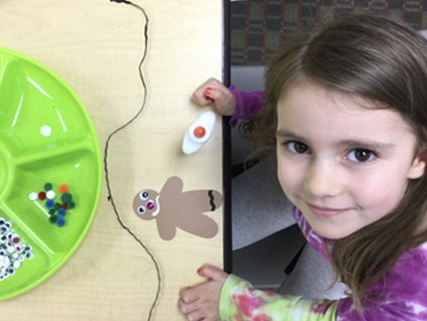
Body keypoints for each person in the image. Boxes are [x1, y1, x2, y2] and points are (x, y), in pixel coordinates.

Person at [178, 14, 427, 321]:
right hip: (348, 221)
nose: (317, 186)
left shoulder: (414, 289)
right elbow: (300, 111)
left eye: (361, 154)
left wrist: (237, 302)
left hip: (367, 264)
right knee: (193, 223)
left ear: (420, 158)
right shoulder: (334, 170)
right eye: (299, 145)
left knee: (306, 295)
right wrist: (238, 104)